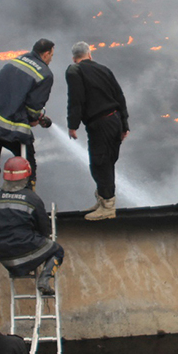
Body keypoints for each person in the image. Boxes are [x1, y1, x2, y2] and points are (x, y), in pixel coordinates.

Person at [0, 39, 55, 211]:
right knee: (27, 162)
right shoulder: (45, 73)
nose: (51, 59)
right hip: (11, 125)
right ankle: (28, 204)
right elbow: (33, 108)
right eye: (51, 55)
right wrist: (35, 118)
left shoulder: (15, 61)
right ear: (46, 53)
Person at [66, 41, 129, 221]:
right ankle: (103, 200)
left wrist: (72, 125)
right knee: (105, 162)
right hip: (114, 121)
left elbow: (76, 99)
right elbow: (120, 96)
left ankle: (108, 207)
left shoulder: (74, 71)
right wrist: (125, 125)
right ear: (90, 54)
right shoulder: (104, 69)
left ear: (74, 58)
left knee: (100, 164)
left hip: (101, 123)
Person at [0, 156, 64, 294]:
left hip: (3, 257)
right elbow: (45, 230)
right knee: (57, 250)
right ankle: (44, 280)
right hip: (24, 255)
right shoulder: (32, 199)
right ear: (26, 176)